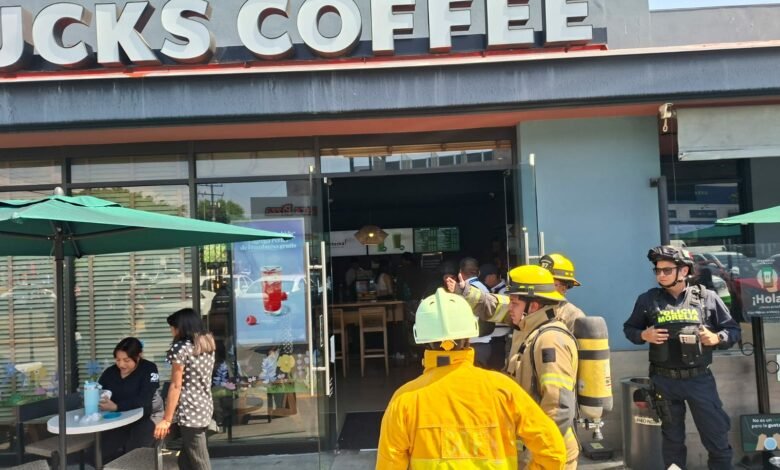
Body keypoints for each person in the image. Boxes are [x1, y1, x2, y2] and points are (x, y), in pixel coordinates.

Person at [376, 289, 567, 470]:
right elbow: (553, 452)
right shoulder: (503, 390)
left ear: (422, 338)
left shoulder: (404, 401)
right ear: (470, 333)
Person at [448, 265, 580, 469]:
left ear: (533, 306)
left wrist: (540, 457)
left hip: (548, 455)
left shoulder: (550, 341)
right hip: (535, 449)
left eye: (514, 303)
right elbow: (492, 305)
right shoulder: (530, 329)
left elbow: (557, 408)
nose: (509, 308)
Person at [623, 246, 741, 470]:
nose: (660, 275)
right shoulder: (648, 300)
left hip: (699, 381)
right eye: (657, 270)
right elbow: (630, 329)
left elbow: (733, 331)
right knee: (672, 442)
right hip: (664, 382)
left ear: (684, 270)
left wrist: (717, 338)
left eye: (666, 270)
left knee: (716, 437)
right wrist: (643, 335)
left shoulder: (707, 298)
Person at [154, 308, 216, 470]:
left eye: (172, 327)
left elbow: (176, 385)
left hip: (190, 412)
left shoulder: (181, 348)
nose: (171, 331)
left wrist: (167, 419)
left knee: (200, 462)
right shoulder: (207, 343)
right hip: (204, 406)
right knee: (186, 460)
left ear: (181, 327)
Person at [98, 337, 163, 462]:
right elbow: (100, 390)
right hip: (121, 416)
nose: (121, 364)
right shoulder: (110, 372)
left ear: (138, 356)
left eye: (126, 360)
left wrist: (116, 406)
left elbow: (144, 400)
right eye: (118, 360)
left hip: (148, 416)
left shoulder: (149, 368)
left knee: (134, 453)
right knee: (102, 451)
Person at [459, 257, 495, 367]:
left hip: (472, 346)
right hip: (485, 344)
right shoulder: (486, 288)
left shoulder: (464, 290)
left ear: (460, 272)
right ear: (478, 272)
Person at [539, 253, 586, 332]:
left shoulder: (574, 316)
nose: (541, 285)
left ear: (565, 287)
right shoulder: (527, 307)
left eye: (548, 281)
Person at [480, 263, 511, 369]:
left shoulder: (504, 292)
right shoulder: (493, 290)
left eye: (484, 277)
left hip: (500, 338)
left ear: (493, 276)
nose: (482, 281)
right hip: (492, 338)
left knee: (496, 368)